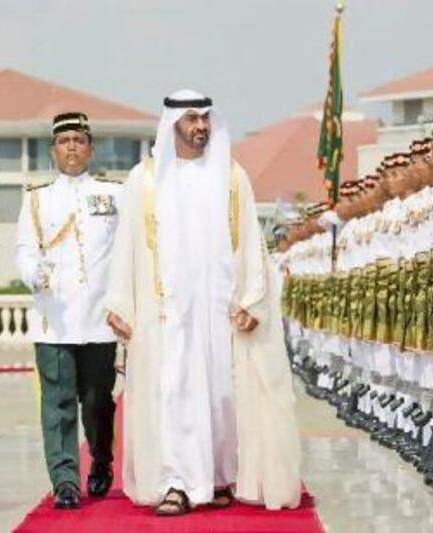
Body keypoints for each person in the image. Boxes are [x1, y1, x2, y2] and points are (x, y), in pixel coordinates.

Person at [104, 89, 301, 515]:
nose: (201, 127)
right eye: (192, 119)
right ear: (172, 123)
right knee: (172, 392)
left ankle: (213, 477)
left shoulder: (232, 178)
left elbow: (252, 245)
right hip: (167, 314)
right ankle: (176, 481)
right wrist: (120, 302)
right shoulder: (144, 181)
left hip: (218, 313)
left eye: (205, 119)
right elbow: (126, 246)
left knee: (220, 397)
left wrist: (253, 300)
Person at [15, 112, 120, 509]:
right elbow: (24, 249)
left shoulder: (114, 195)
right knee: (57, 403)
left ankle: (101, 462)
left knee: (97, 401)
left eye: (78, 139)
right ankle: (64, 480)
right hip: (53, 320)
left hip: (98, 319)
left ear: (90, 147)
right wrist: (33, 272)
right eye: (64, 141)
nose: (72, 147)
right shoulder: (37, 198)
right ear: (53, 150)